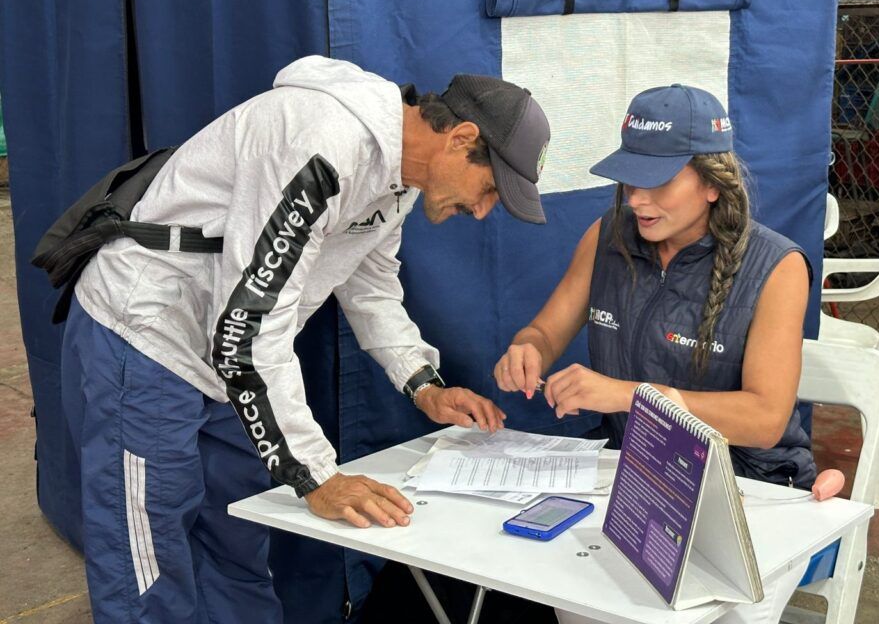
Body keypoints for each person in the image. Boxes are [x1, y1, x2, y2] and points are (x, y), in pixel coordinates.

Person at [61, 56, 550, 622]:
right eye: (489, 188)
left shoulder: (400, 177)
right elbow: (247, 327)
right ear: (461, 138)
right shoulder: (322, 144)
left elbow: (370, 287)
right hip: (147, 336)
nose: (483, 211)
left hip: (227, 361)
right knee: (147, 566)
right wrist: (317, 475)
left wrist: (423, 385)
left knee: (236, 544)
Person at [493, 84, 814, 624]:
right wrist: (527, 349)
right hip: (634, 479)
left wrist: (628, 396)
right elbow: (545, 332)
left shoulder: (776, 266)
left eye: (657, 181)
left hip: (750, 490)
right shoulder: (607, 236)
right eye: (628, 179)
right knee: (568, 596)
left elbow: (764, 419)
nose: (636, 199)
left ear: (713, 185)